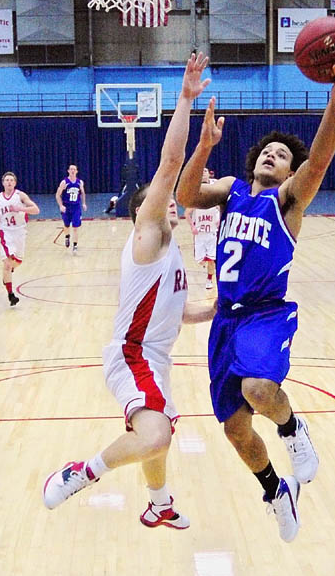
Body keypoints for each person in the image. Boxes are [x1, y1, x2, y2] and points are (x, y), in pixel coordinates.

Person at [176, 50, 335, 543]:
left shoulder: (288, 202)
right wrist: (203, 146)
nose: (271, 155)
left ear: (290, 173)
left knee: (259, 391)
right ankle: (276, 491)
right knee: (236, 431)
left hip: (266, 315)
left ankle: (292, 429)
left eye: (282, 155)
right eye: (267, 150)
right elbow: (186, 196)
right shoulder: (234, 189)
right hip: (225, 320)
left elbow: (319, 159)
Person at [42, 52, 216, 528]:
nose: (172, 204)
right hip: (132, 353)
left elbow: (177, 314)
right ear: (146, 213)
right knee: (156, 433)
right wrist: (183, 98)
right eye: (161, 203)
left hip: (154, 355)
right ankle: (83, 471)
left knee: (158, 433)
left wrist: (217, 309)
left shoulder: (170, 253)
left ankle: (158, 502)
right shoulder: (147, 238)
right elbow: (171, 162)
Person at [0, 171, 39, 306]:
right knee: (7, 263)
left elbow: (36, 210)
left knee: (17, 262)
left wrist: (20, 208)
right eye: (6, 180)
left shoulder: (20, 195)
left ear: (15, 183)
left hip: (19, 231)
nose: (9, 182)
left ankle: (7, 274)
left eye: (11, 180)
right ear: (3, 183)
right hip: (5, 232)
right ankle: (11, 295)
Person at [186, 167, 221, 290]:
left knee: (211, 259)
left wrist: (219, 219)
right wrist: (192, 227)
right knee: (201, 260)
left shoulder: (215, 188)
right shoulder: (196, 192)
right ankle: (205, 262)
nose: (203, 174)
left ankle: (209, 279)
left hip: (212, 231)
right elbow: (187, 213)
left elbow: (221, 205)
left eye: (205, 171)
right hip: (200, 232)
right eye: (201, 172)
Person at [55, 164, 87, 254]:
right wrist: (61, 205)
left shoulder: (79, 182)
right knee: (66, 225)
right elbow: (57, 195)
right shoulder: (64, 182)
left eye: (74, 169)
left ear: (77, 171)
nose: (73, 171)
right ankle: (67, 236)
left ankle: (75, 246)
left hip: (76, 207)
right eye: (71, 169)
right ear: (68, 171)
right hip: (66, 206)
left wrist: (84, 203)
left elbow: (83, 193)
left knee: (76, 227)